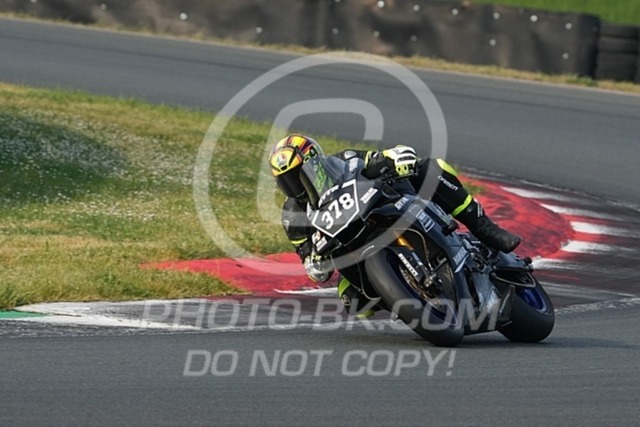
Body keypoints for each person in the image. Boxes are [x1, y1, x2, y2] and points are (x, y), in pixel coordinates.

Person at [269, 134, 521, 315]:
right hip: (350, 248)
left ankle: (485, 229)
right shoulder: (292, 216)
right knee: (353, 303)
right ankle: (407, 298)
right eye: (285, 180)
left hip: (381, 210)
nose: (294, 185)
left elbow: (374, 159)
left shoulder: (345, 160)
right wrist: (314, 264)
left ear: (314, 163)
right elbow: (308, 258)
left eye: (296, 175)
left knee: (429, 168)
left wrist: (394, 158)